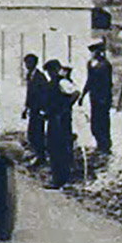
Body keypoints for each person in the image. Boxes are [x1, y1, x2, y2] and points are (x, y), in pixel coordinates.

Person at [43, 59, 78, 188]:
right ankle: (56, 177)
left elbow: (75, 93)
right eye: (49, 71)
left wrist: (65, 109)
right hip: (53, 119)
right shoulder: (53, 82)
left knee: (60, 148)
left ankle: (61, 179)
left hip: (60, 121)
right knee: (53, 147)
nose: (50, 73)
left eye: (51, 70)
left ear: (57, 69)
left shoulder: (62, 82)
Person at [78, 40, 113, 153]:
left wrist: (105, 98)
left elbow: (108, 83)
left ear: (100, 52)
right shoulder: (90, 64)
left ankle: (105, 146)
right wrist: (83, 95)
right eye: (92, 51)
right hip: (94, 97)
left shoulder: (105, 65)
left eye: (96, 51)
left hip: (103, 98)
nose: (93, 53)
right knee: (94, 123)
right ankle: (99, 143)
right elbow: (89, 81)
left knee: (103, 122)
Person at [22, 53, 48, 165]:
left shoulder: (40, 77)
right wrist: (26, 108)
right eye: (26, 63)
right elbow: (29, 94)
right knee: (32, 134)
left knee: (37, 134)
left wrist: (43, 109)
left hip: (39, 110)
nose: (27, 65)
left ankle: (41, 157)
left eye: (29, 62)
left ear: (35, 63)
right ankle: (38, 154)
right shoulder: (29, 75)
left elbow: (44, 94)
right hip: (33, 109)